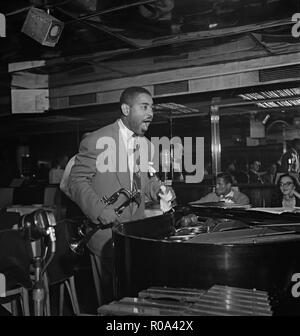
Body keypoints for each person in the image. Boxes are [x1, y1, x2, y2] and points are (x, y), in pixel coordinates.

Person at [68, 86, 175, 303]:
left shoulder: (146, 145)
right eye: (144, 107)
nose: (151, 113)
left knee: (135, 299)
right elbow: (76, 181)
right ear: (126, 109)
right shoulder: (97, 140)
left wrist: (159, 190)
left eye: (152, 107)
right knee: (111, 302)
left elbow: (145, 181)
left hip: (136, 235)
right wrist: (99, 210)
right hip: (106, 236)